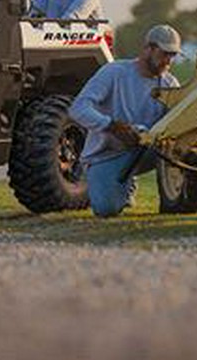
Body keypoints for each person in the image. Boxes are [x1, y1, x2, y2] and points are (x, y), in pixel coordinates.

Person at [69, 24, 182, 217]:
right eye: (164, 54)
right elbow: (78, 109)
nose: (168, 60)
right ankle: (114, 182)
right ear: (148, 48)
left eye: (172, 55)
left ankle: (179, 202)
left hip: (147, 150)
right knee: (107, 209)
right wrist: (111, 126)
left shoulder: (170, 84)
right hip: (107, 154)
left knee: (181, 148)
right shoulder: (114, 72)